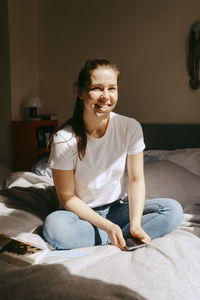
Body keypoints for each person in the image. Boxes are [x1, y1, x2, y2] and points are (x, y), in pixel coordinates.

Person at [43, 58, 183, 250]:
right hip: (79, 214)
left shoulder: (130, 127)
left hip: (116, 209)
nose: (105, 96)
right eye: (97, 88)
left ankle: (119, 234)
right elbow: (66, 198)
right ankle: (115, 237)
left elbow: (136, 180)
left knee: (172, 210)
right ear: (81, 92)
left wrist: (135, 223)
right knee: (55, 228)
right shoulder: (64, 139)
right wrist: (108, 227)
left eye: (112, 88)